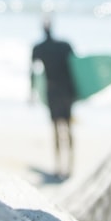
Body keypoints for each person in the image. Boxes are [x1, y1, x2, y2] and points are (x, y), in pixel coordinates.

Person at [30, 15, 76, 179]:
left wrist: (32, 93)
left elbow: (33, 72)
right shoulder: (65, 46)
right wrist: (79, 92)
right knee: (68, 128)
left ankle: (59, 167)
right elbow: (76, 67)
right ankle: (69, 167)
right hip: (67, 90)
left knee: (56, 129)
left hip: (53, 91)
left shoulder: (38, 48)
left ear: (43, 29)